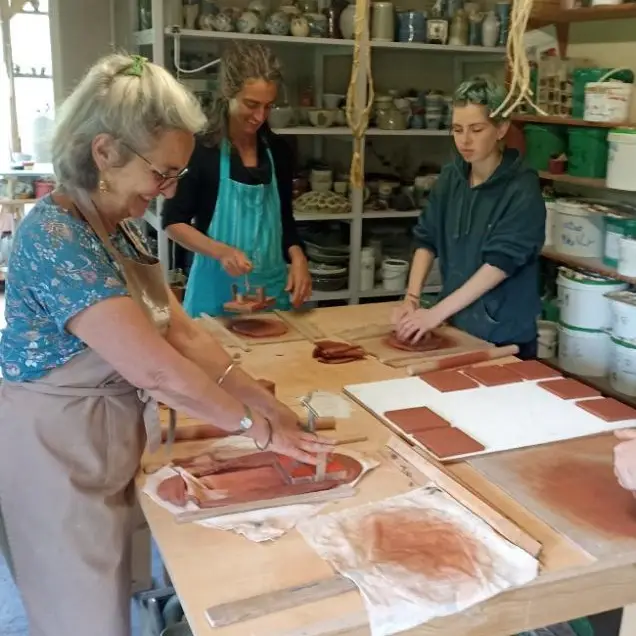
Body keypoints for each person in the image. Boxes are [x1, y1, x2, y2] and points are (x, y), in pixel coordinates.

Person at [0, 53, 331, 636]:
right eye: (162, 173)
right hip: (56, 453)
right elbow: (156, 370)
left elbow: (180, 331)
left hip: (103, 438)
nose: (168, 190)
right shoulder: (55, 236)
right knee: (81, 610)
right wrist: (254, 429)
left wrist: (263, 400)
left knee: (115, 588)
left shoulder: (116, 224)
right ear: (104, 152)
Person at [392, 76, 546, 360]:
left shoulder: (522, 188)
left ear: (501, 128)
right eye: (457, 129)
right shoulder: (452, 177)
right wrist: (411, 299)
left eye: (476, 129)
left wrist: (435, 313)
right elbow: (427, 238)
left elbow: (500, 263)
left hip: (504, 337)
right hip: (457, 326)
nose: (465, 140)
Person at [163, 42, 311, 317]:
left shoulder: (279, 152)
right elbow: (173, 222)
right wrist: (221, 251)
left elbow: (285, 222)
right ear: (228, 94)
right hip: (213, 295)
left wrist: (298, 257)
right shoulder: (200, 149)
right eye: (251, 104)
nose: (260, 116)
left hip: (270, 294)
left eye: (268, 106)